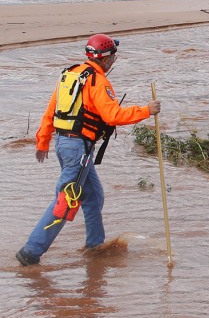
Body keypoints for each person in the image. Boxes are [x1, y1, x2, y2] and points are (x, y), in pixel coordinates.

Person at [16, 34, 161, 267]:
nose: (114, 60)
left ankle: (95, 247)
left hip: (66, 145)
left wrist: (43, 142)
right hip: (78, 149)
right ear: (105, 59)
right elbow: (114, 116)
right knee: (66, 201)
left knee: (94, 197)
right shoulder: (98, 81)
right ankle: (30, 252)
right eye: (113, 55)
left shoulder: (70, 75)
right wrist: (147, 110)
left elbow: (50, 112)